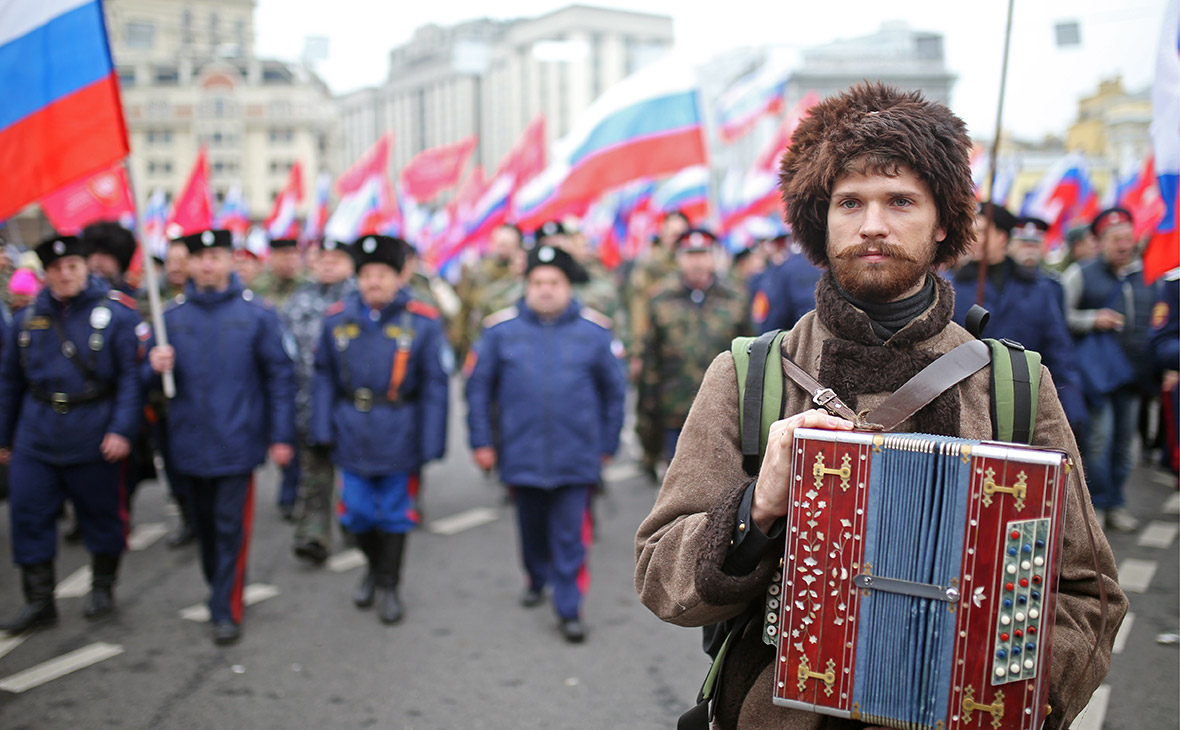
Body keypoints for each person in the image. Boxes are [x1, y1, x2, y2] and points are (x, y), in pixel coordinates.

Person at [634, 83, 1124, 730]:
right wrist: (755, 509)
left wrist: (1008, 703)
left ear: (944, 222)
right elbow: (661, 575)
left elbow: (1086, 596)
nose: (873, 224)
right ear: (821, 219)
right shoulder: (747, 375)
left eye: (900, 201)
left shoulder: (1013, 385)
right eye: (850, 202)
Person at [466, 244, 626, 643]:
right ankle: (536, 575)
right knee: (531, 527)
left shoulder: (594, 331)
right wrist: (482, 442)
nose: (545, 290)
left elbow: (614, 393)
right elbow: (478, 390)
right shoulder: (500, 331)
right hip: (520, 452)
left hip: (577, 454)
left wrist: (608, 442)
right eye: (537, 282)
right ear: (526, 285)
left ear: (568, 286)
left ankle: (569, 607)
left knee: (571, 535)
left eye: (554, 282)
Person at [146, 229, 295, 645]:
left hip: (237, 442)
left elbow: (279, 378)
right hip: (187, 443)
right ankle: (219, 587)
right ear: (188, 264)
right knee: (207, 530)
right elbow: (143, 383)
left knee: (231, 528)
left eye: (216, 255)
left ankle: (225, 608)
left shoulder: (257, 315)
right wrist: (153, 366)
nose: (208, 264)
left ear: (231, 260)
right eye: (200, 257)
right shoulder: (169, 319)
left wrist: (280, 436)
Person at [0, 235, 143, 632]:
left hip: (93, 429)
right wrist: (4, 437)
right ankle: (39, 601)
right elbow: (9, 381)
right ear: (46, 274)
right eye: (57, 269)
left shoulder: (117, 314)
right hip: (37, 430)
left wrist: (121, 430)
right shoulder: (27, 320)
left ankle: (102, 586)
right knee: (27, 515)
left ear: (85, 268)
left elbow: (131, 381)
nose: (66, 275)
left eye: (73, 267)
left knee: (101, 516)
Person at [310, 234, 448, 624]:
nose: (374, 282)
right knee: (354, 515)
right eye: (367, 274)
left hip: (399, 432)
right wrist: (322, 429)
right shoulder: (337, 319)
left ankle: (388, 584)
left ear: (398, 277)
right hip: (350, 429)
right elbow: (323, 377)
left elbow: (435, 385)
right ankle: (372, 566)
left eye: (383, 274)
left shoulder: (421, 322)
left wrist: (431, 440)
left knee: (394, 515)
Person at [1062, 207, 1160, 532]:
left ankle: (1117, 503)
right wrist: (1093, 319)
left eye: (1128, 238)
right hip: (1098, 377)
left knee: (1124, 445)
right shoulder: (1081, 273)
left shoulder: (1147, 275)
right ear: (1100, 242)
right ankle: (1098, 506)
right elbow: (1061, 317)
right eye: (1115, 239)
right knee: (1098, 443)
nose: (1123, 245)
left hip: (1134, 376)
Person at [949, 204, 1087, 432]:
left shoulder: (1038, 288)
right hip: (970, 404)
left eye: (982, 232)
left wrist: (1071, 402)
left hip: (1025, 396)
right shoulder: (952, 286)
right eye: (969, 231)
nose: (973, 238)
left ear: (1003, 237)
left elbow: (1058, 349)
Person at [637, 228, 749, 467]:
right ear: (679, 258)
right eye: (690, 254)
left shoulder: (735, 298)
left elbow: (751, 356)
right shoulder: (661, 300)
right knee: (678, 481)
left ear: (713, 257)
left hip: (724, 412)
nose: (697, 261)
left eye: (703, 254)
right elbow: (651, 362)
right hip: (676, 410)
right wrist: (648, 413)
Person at [281, 239, 356, 564]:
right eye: (321, 258)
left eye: (336, 258)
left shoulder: (361, 300)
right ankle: (313, 535)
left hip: (352, 406)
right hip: (307, 404)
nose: (327, 264)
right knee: (314, 475)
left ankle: (356, 525)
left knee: (355, 474)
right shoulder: (298, 301)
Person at [251, 238, 306, 310]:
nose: (290, 264)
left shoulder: (305, 283)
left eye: (293, 258)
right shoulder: (260, 285)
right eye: (285, 259)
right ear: (273, 257)